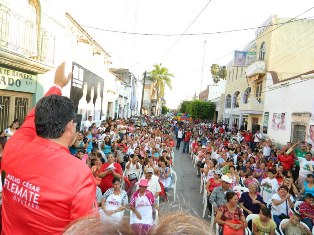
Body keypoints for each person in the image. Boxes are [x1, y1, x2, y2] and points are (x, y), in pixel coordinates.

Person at [2, 63, 97, 234]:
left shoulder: (13, 146)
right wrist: (58, 86)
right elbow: (86, 230)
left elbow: (32, 118)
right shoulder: (79, 175)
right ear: (70, 126)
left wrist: (57, 86)